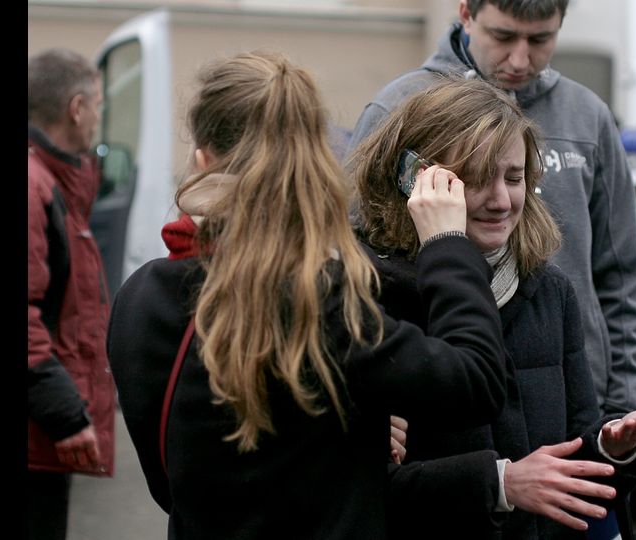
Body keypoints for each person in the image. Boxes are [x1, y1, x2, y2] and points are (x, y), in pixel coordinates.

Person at [106, 51, 509, 540]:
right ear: (315, 161)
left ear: (202, 158)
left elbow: (172, 483)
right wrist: (447, 245)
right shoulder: (325, 298)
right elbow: (477, 381)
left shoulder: (139, 299)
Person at [348, 76, 636, 540]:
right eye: (474, 179)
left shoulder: (549, 290)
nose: (501, 200)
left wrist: (612, 446)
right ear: (417, 180)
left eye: (514, 177)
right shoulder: (367, 296)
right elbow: (358, 495)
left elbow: (572, 459)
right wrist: (501, 483)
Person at [348, 0, 636, 420]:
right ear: (467, 14)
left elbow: (620, 276)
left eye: (541, 39)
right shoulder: (399, 106)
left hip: (569, 393)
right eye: (504, 37)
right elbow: (356, 254)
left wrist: (624, 403)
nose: (521, 59)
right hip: (442, 392)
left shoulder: (587, 117)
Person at [28, 48, 116, 540]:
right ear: (77, 108)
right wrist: (65, 416)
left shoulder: (55, 182)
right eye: (99, 106)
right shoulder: (33, 186)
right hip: (39, 433)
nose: (98, 119)